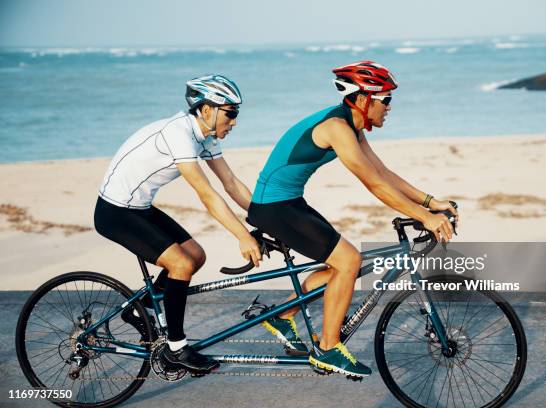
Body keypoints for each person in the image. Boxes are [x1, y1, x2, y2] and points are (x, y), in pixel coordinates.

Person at [248, 61, 458, 377]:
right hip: (274, 207)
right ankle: (328, 348)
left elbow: (383, 173)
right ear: (363, 99)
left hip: (289, 202)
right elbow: (372, 184)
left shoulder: (352, 126)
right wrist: (424, 218)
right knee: (349, 261)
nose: (389, 107)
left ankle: (282, 315)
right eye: (385, 99)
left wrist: (430, 202)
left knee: (344, 265)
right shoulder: (337, 128)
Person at [94, 74, 261, 375]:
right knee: (181, 265)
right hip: (115, 213)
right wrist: (242, 236)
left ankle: (140, 307)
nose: (234, 121)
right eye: (230, 113)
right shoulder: (179, 133)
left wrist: (265, 221)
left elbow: (231, 184)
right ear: (207, 109)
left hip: (139, 208)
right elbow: (207, 194)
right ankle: (176, 348)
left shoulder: (205, 136)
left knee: (196, 256)